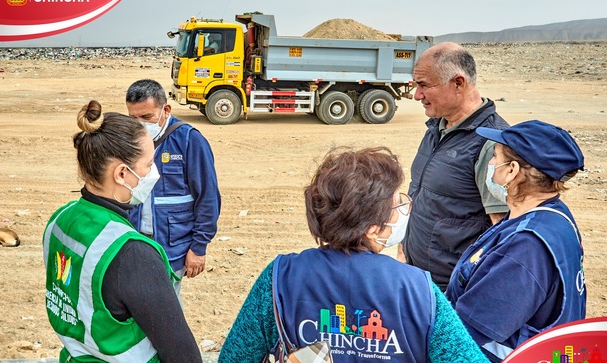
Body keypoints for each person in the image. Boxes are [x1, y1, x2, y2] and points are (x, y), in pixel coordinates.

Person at [219, 147, 491, 363]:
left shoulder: (279, 278)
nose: (405, 210)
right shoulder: (419, 290)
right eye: (398, 204)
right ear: (373, 228)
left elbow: (236, 357)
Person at [42, 100, 202, 362]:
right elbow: (181, 353)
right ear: (122, 174)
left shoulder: (60, 220)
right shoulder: (132, 254)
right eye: (148, 165)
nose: (154, 173)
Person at [445, 120, 586, 362]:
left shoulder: (524, 247)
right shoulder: (552, 214)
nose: (490, 163)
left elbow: (465, 335)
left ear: (512, 170)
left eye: (495, 156)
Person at [400, 42, 510, 291]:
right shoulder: (437, 128)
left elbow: (504, 232)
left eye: (424, 85)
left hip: (453, 289)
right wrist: (404, 250)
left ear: (458, 83)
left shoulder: (494, 144)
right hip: (419, 278)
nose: (416, 95)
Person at [126, 79, 221, 297]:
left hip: (172, 247)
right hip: (135, 243)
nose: (140, 124)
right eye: (133, 118)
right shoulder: (129, 141)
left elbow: (208, 198)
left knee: (165, 309)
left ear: (165, 110)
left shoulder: (189, 140)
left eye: (146, 117)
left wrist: (198, 247)